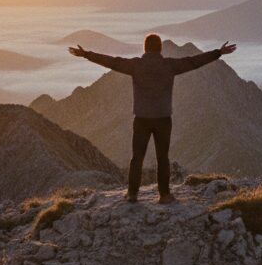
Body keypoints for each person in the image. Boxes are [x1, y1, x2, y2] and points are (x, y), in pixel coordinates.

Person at [69, 34, 237, 203]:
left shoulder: (135, 65)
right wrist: (218, 52)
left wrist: (86, 54)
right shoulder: (170, 65)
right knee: (162, 157)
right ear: (160, 48)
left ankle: (132, 194)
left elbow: (112, 61)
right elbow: (193, 62)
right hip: (163, 118)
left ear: (145, 48)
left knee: (137, 158)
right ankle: (164, 195)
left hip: (141, 118)